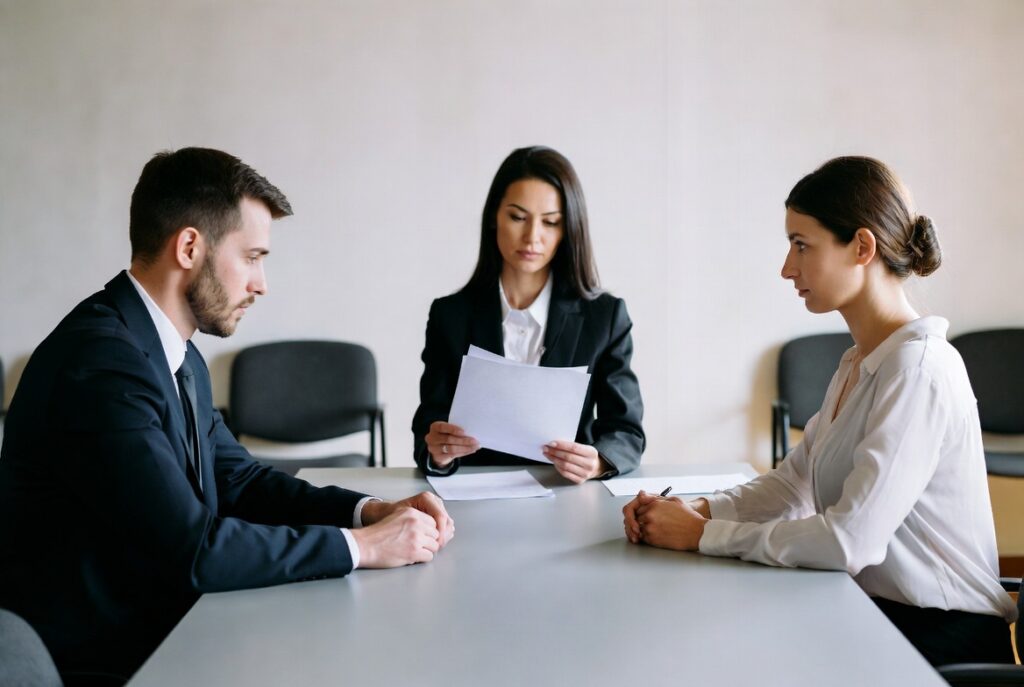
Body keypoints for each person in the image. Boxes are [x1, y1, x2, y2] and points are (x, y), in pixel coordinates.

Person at [0, 147, 455, 683]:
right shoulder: (101, 365)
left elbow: (239, 481)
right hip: (112, 658)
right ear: (190, 246)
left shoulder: (174, 351)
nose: (261, 283)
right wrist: (361, 549)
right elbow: (192, 551)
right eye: (253, 257)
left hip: (169, 627)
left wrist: (367, 512)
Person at [623, 156, 1017, 666]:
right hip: (878, 613)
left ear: (861, 246)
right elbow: (794, 484)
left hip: (939, 639)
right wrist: (696, 511)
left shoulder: (918, 369)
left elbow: (849, 542)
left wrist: (702, 536)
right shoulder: (860, 361)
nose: (787, 268)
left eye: (801, 245)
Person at [412, 146, 645, 483]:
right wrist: (438, 450)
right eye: (518, 217)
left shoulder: (604, 317)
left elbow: (626, 431)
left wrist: (597, 461)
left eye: (551, 222)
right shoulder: (450, 316)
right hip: (470, 498)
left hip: (566, 496)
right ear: (494, 217)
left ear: (568, 230)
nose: (532, 237)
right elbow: (428, 426)